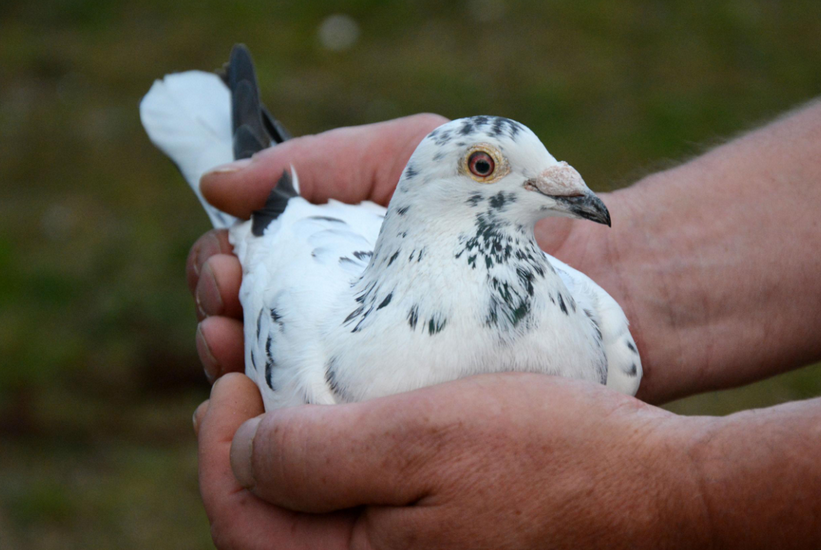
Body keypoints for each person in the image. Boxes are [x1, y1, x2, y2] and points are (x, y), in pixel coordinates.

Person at [186, 104, 821, 548]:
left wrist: (678, 499)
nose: (563, 182)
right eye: (486, 167)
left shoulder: (595, 318)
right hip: (316, 234)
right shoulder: (318, 350)